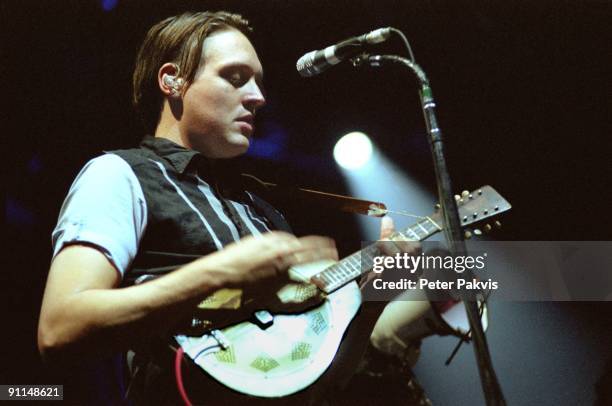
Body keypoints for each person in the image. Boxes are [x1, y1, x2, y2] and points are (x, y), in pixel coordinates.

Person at [38, 10, 422, 405]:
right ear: (172, 80)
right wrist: (222, 272)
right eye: (235, 77)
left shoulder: (263, 214)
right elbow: (61, 328)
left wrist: (374, 300)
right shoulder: (119, 175)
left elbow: (316, 385)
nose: (258, 97)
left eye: (258, 82)